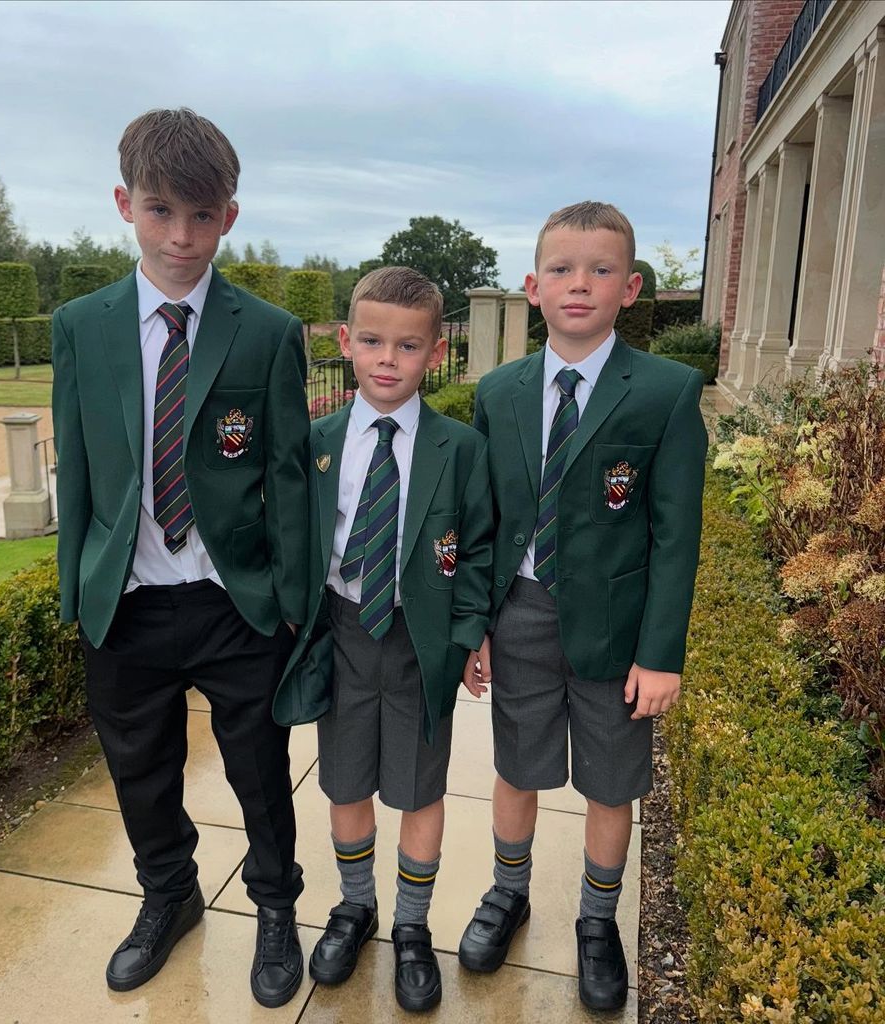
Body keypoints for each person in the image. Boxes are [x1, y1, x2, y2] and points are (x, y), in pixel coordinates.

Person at [52, 108, 310, 1008]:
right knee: (142, 773)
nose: (181, 237)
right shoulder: (81, 325)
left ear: (228, 216)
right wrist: (78, 595)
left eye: (203, 217)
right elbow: (79, 467)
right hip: (126, 602)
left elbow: (288, 476)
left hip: (233, 602)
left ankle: (275, 906)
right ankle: (169, 894)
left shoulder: (267, 331)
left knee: (260, 772)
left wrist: (290, 601)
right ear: (125, 203)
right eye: (161, 211)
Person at [456, 201, 707, 1011]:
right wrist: (475, 625)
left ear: (630, 288)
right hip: (520, 614)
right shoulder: (499, 391)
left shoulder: (666, 392)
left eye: (601, 270)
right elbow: (482, 520)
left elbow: (676, 533)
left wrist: (660, 654)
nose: (579, 284)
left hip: (616, 628)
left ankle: (597, 921)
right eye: (561, 269)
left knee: (610, 782)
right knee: (516, 766)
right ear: (534, 287)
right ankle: (508, 893)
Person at [273, 266, 493, 1012]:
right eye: (371, 342)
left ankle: (411, 925)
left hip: (418, 641)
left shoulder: (460, 448)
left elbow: (479, 549)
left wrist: (469, 634)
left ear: (437, 352)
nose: (387, 359)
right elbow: (295, 537)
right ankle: (356, 906)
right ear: (346, 342)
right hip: (342, 633)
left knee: (419, 788)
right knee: (345, 781)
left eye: (408, 345)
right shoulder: (317, 442)